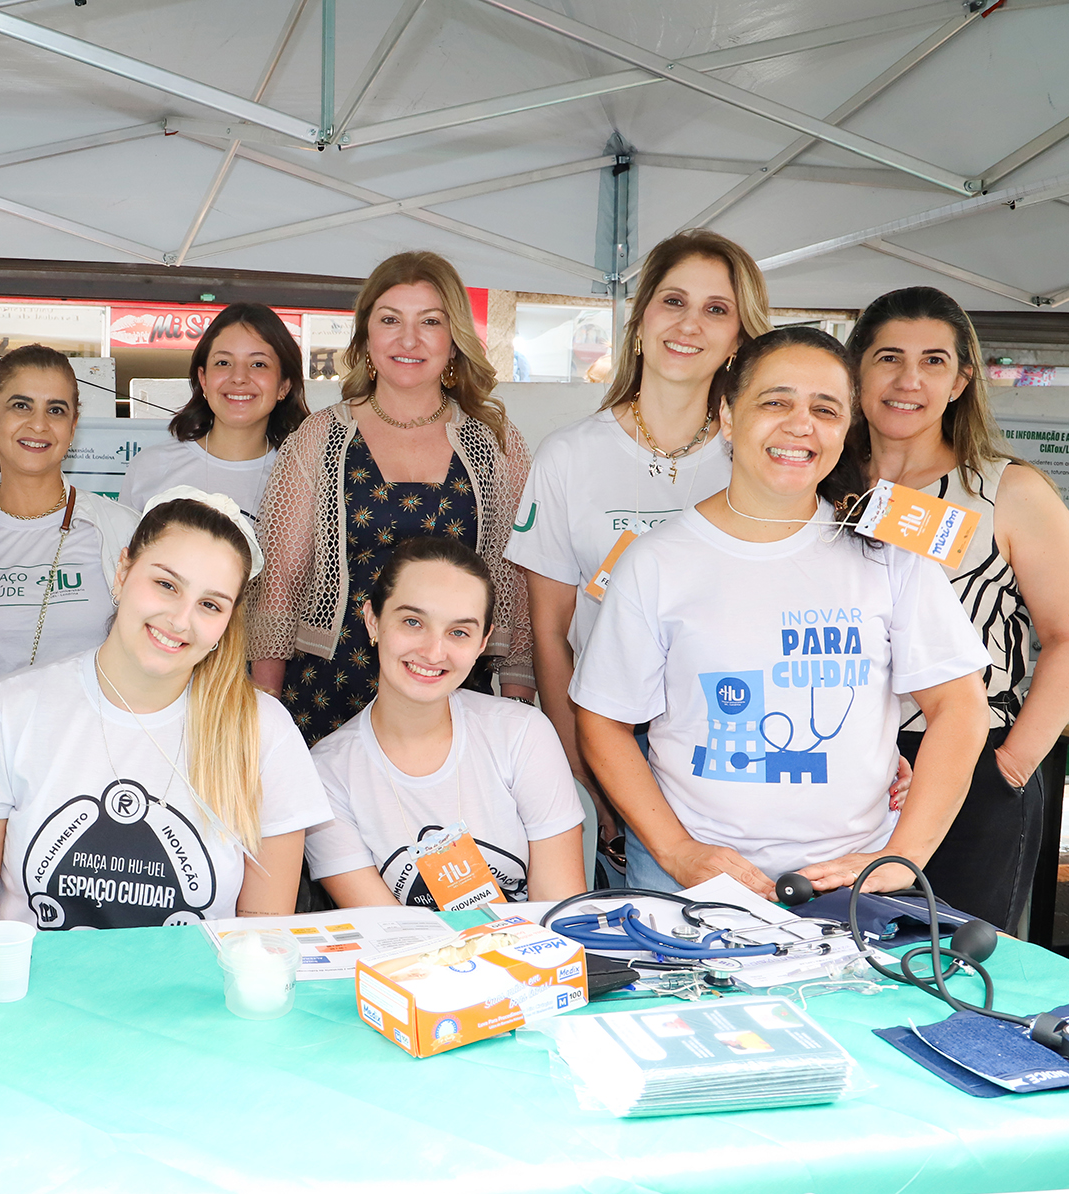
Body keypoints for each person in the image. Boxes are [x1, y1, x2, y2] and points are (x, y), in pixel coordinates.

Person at [572, 326, 990, 898]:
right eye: (776, 402)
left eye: (826, 409)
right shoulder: (658, 561)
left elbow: (961, 708)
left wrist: (900, 856)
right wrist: (678, 851)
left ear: (847, 430)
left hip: (852, 887)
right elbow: (604, 722)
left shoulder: (885, 552)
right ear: (727, 415)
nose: (802, 424)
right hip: (691, 886)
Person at [0, 491, 331, 930]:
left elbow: (263, 936)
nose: (180, 619)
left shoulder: (263, 731)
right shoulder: (8, 712)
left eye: (210, 605)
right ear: (121, 572)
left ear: (226, 624)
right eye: (166, 585)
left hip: (192, 999)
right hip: (34, 995)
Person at [506, 231, 768, 860]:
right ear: (641, 316)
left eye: (716, 309)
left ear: (740, 336)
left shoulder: (761, 461)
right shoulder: (567, 455)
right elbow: (550, 632)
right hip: (611, 737)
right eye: (673, 300)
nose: (689, 324)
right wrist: (582, 769)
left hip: (734, 742)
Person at [850, 287, 1069, 928]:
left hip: (972, 762)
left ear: (963, 379)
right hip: (845, 765)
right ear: (856, 370)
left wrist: (1011, 765)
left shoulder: (1006, 490)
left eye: (933, 360)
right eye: (888, 357)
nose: (909, 380)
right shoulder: (824, 488)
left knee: (948, 965)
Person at [252, 251, 534, 749]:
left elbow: (511, 582)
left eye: (430, 321)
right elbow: (280, 584)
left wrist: (516, 698)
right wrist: (263, 714)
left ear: (454, 341)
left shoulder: (496, 441)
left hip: (448, 687)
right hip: (325, 693)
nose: (409, 340)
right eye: (390, 320)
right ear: (365, 339)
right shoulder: (318, 438)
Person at [306, 537, 586, 908]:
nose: (433, 651)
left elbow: (560, 907)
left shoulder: (522, 733)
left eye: (458, 632)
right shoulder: (326, 773)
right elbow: (387, 933)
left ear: (483, 642)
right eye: (412, 622)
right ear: (373, 621)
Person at [0, 344, 138, 708]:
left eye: (56, 410)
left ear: (72, 428)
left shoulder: (122, 529)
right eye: (20, 405)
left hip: (98, 750)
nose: (38, 424)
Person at [119, 302, 309, 521]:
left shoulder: (303, 480)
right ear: (204, 380)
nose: (239, 377)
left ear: (284, 385)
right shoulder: (150, 468)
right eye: (223, 362)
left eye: (258, 364)